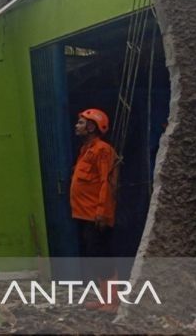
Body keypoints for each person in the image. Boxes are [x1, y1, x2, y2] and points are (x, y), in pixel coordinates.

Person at [70, 108, 119, 313]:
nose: (77, 125)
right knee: (94, 256)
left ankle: (113, 302)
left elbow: (107, 183)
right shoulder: (86, 151)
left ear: (91, 127)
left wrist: (102, 212)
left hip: (96, 215)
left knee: (102, 256)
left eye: (81, 123)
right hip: (84, 214)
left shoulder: (102, 150)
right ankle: (103, 298)